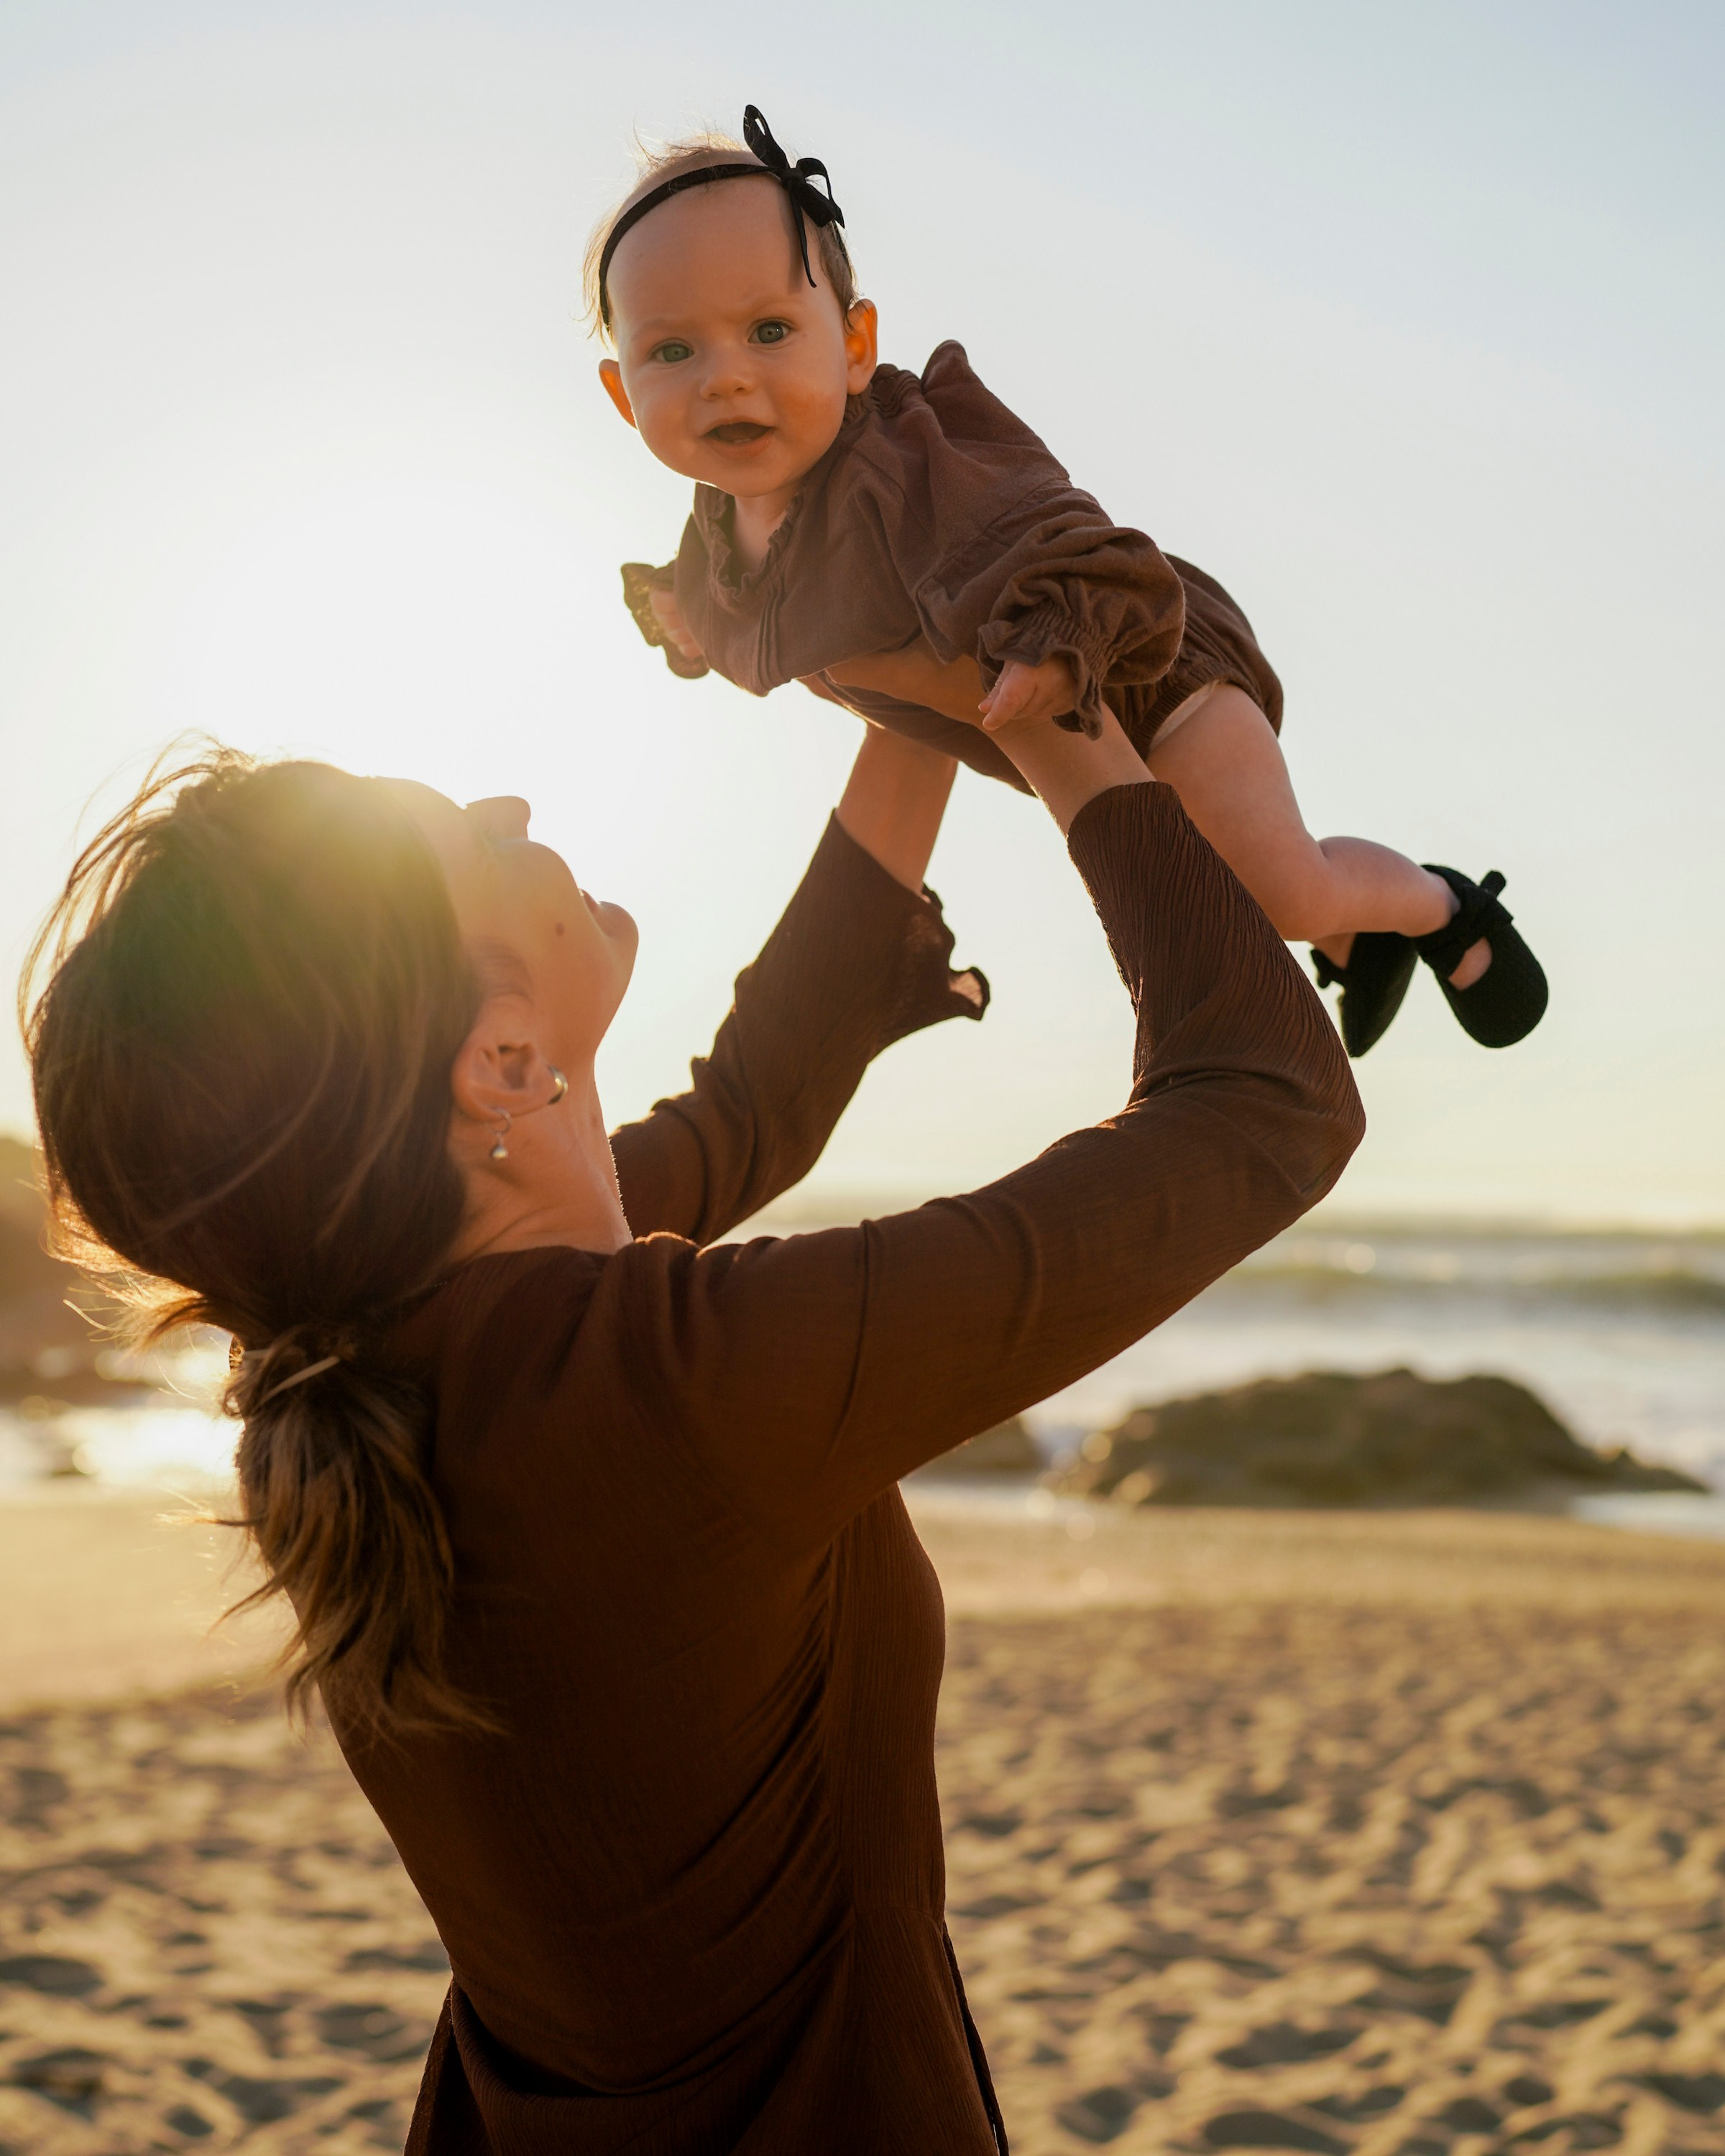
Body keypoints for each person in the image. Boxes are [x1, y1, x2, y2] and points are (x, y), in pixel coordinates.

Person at [24, 701, 1361, 2152]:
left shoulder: (383, 1347)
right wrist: (1073, 737)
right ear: (501, 1062)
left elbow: (750, 1113)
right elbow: (1267, 1108)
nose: (515, 807)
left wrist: (916, 671)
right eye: (467, 837)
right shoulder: (662, 1394)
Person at [592, 106, 1549, 1061]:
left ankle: (1439, 907)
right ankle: (1357, 943)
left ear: (852, 347)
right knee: (1226, 881)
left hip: (1149, 672)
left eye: (767, 330)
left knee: (1277, 885)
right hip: (1060, 738)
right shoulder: (719, 532)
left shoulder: (907, 466)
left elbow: (1046, 526)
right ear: (623, 393)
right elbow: (734, 615)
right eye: (674, 351)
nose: (725, 379)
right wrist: (683, 616)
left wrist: (1058, 634)